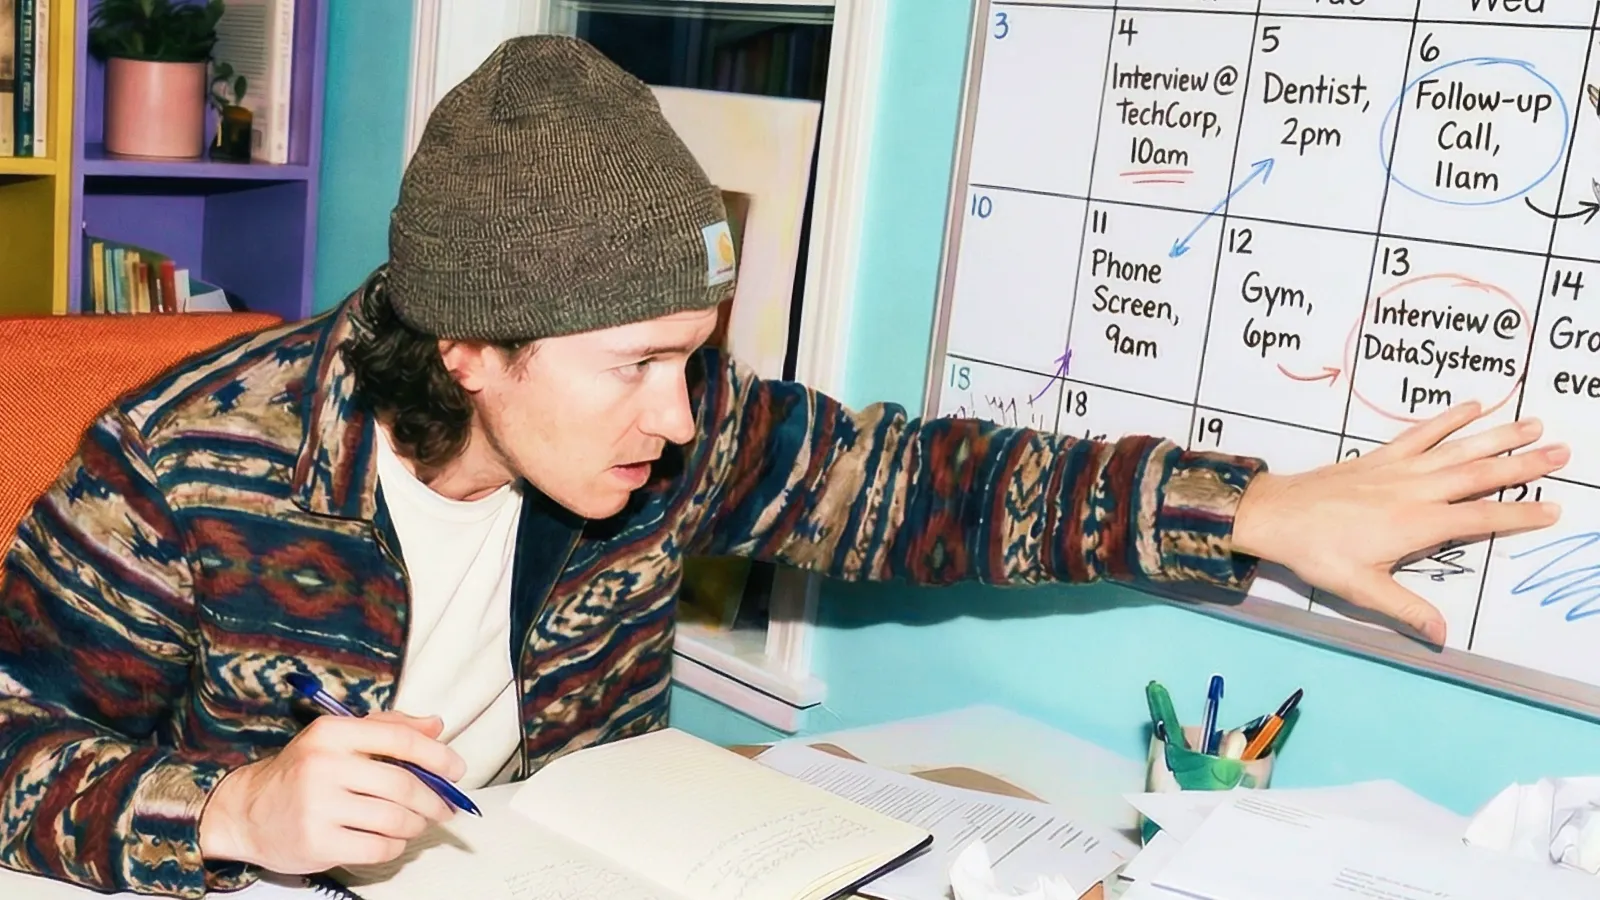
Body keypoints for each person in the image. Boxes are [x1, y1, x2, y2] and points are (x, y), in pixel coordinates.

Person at [0, 35, 1566, 899]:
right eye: (634, 365)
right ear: (471, 346)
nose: (684, 420)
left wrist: (1258, 511)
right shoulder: (180, 468)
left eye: (694, 354)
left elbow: (928, 485)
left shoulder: (668, 429)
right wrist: (232, 813)